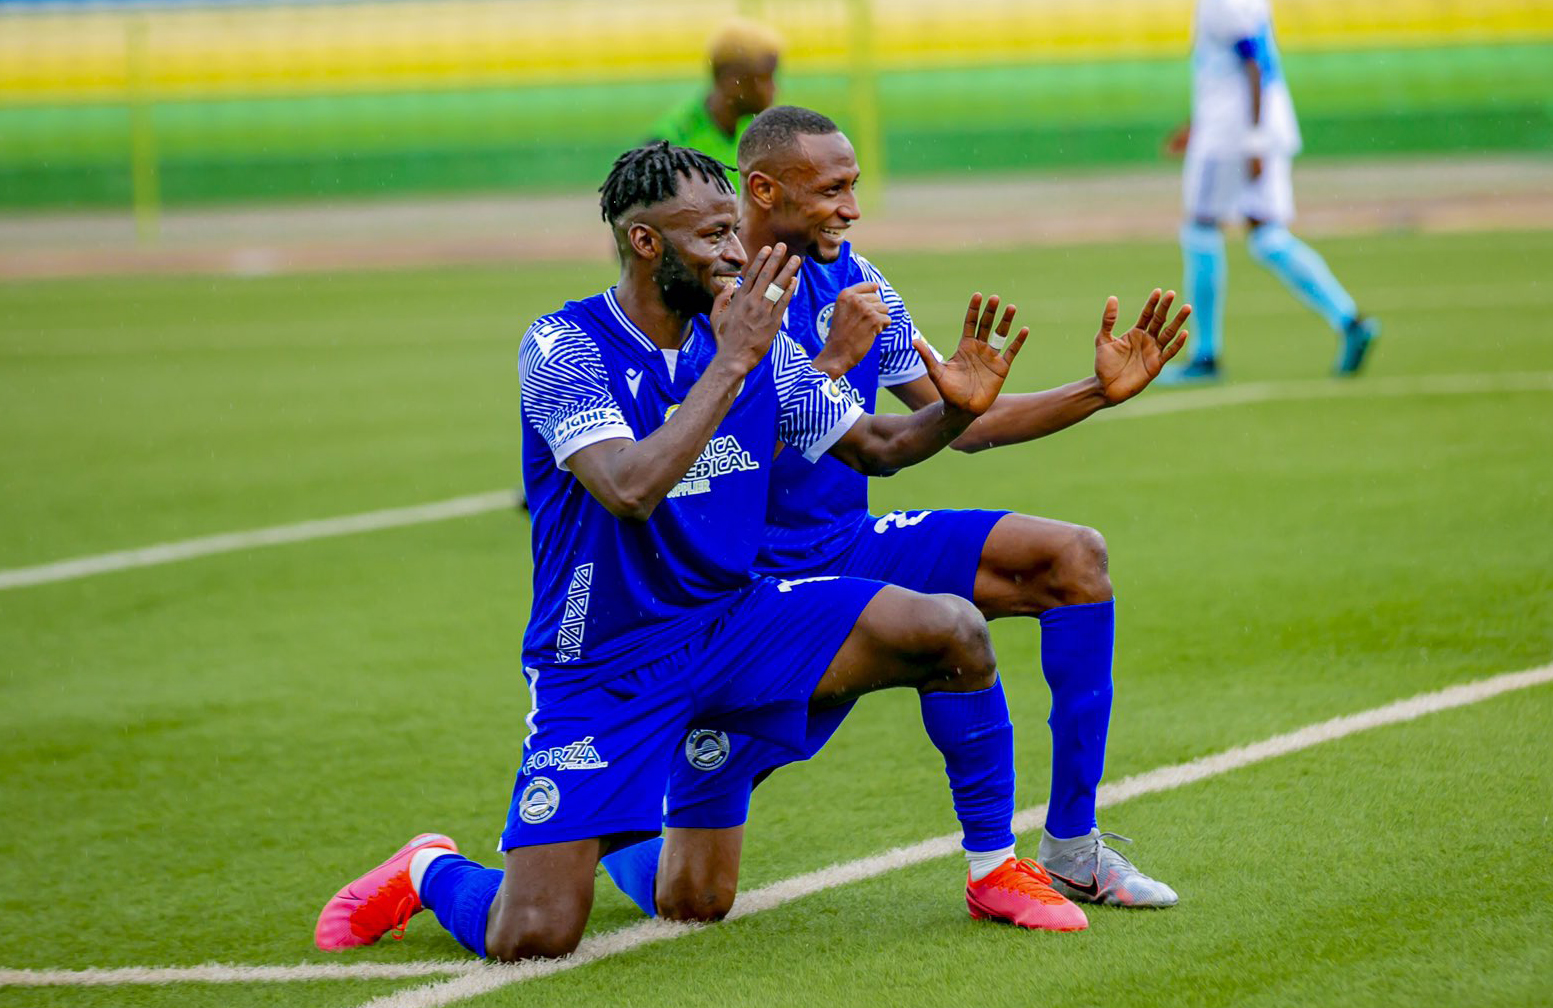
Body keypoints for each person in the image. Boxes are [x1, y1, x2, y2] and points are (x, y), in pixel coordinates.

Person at [314, 142, 1086, 965]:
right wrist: (733, 362)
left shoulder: (745, 340)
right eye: (713, 235)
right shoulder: (565, 347)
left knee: (950, 630)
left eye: (732, 231)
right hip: (603, 663)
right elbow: (627, 486)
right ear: (647, 244)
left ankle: (993, 868)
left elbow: (874, 446)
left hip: (733, 623)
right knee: (535, 935)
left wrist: (953, 414)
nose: (734, 251)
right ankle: (431, 870)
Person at [600, 106, 1192, 923]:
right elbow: (739, 444)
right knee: (689, 894)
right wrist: (834, 358)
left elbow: (958, 419)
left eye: (854, 187)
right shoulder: (706, 293)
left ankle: (1071, 849)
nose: (850, 207)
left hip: (845, 545)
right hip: (748, 588)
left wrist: (1094, 392)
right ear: (764, 190)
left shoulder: (855, 279)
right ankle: (546, 850)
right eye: (832, 189)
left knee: (1071, 559)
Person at [1164, 0, 1377, 382]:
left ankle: (1205, 355)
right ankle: (1350, 321)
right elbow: (1235, 66)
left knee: (1201, 228)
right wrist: (1200, 122)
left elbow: (1253, 62)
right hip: (1257, 122)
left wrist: (1252, 139)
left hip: (1233, 133)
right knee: (1266, 234)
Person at [647, 18, 781, 186]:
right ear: (732, 80)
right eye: (764, 78)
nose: (775, 88)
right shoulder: (671, 143)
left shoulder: (763, 134)